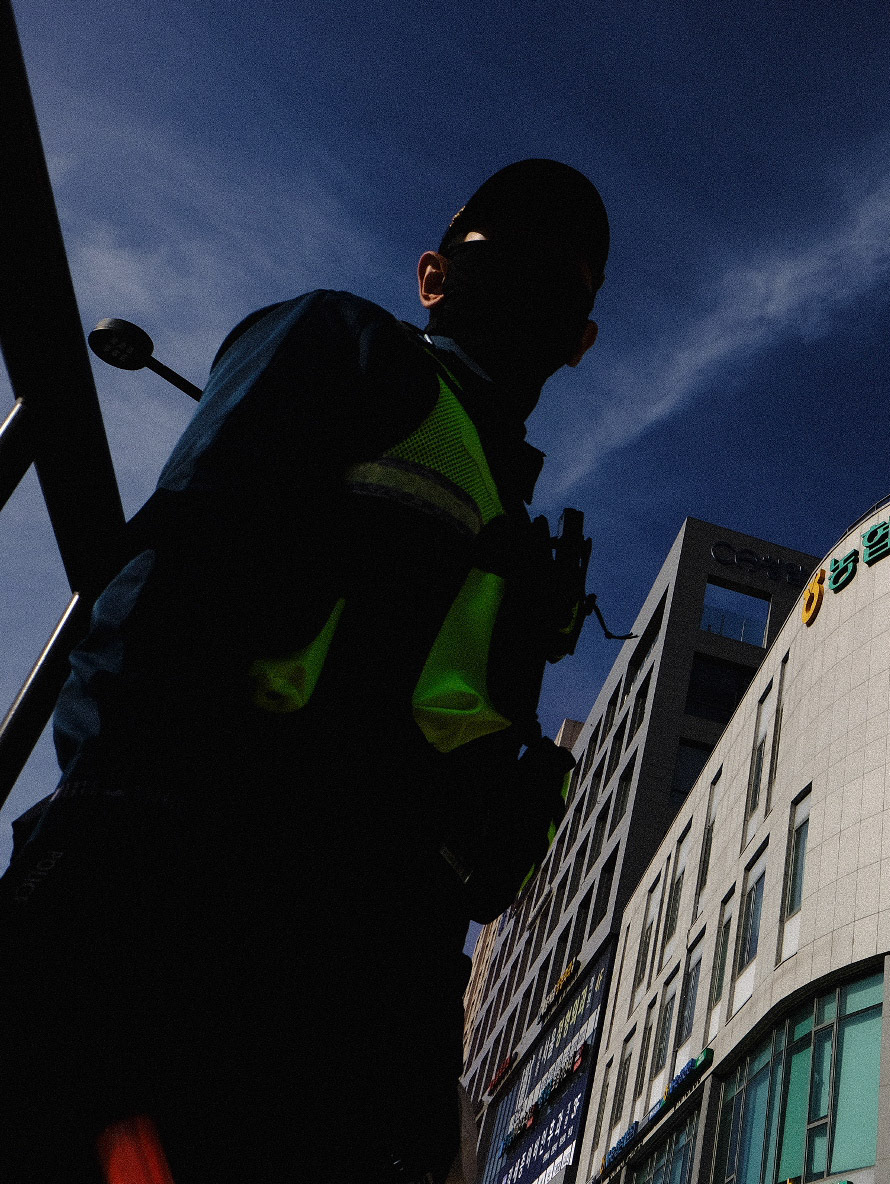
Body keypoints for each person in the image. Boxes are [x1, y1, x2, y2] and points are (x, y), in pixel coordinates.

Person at [0, 160, 610, 1184]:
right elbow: (163, 585)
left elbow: (464, 817)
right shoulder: (345, 345)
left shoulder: (519, 551)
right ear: (433, 277)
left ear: (581, 340)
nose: (533, 289)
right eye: (510, 255)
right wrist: (95, 880)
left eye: (565, 282)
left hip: (359, 1018)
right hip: (194, 915)